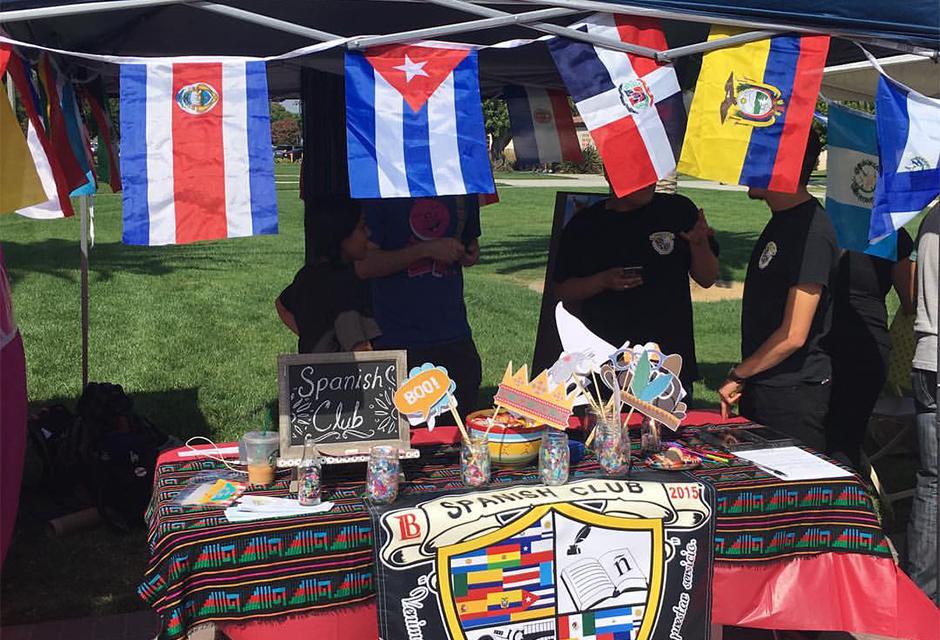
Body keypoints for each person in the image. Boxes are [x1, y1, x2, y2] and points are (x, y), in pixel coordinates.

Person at [719, 130, 839, 451]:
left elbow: (794, 334)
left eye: (754, 156)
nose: (744, 166)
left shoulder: (811, 231)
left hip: (793, 395)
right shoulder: (783, 221)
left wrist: (739, 373)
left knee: (796, 496)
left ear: (782, 164)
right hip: (767, 385)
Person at [552, 182, 719, 399]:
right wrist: (603, 281)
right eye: (637, 174)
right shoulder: (585, 224)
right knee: (605, 430)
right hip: (605, 362)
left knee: (663, 431)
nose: (647, 181)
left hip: (668, 360)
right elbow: (563, 290)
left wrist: (700, 245)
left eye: (651, 171)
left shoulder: (678, 210)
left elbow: (707, 278)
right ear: (611, 173)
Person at [355, 196, 482, 416]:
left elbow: (470, 245)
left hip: (454, 337)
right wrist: (425, 250)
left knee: (459, 437)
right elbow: (363, 265)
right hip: (396, 341)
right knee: (403, 440)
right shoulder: (383, 189)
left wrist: (467, 252)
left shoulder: (461, 186)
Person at [825, 231, 915, 469]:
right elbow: (909, 299)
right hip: (867, 341)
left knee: (821, 429)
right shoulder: (893, 234)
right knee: (847, 437)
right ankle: (845, 498)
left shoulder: (829, 225)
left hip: (823, 336)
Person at [276, 197, 379, 353]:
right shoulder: (345, 282)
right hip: (344, 374)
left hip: (308, 373)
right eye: (362, 227)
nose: (368, 233)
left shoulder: (306, 275)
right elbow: (359, 348)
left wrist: (310, 337)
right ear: (343, 236)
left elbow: (281, 304)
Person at [907, 202, 938, 605]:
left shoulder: (931, 219)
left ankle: (921, 594)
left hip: (926, 354)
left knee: (932, 481)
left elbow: (912, 289)